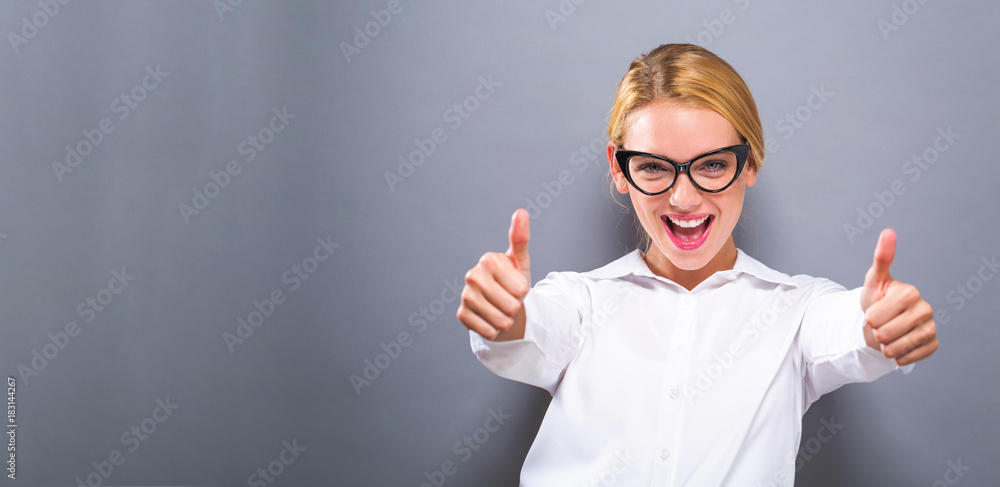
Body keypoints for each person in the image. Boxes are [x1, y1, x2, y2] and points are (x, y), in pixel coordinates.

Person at [456, 43, 938, 485]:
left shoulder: (797, 312)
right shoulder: (580, 303)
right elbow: (529, 331)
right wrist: (504, 314)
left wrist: (880, 325)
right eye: (652, 167)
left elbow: (849, 331)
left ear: (749, 163)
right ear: (619, 169)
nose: (683, 198)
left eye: (711, 165)